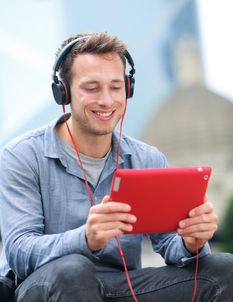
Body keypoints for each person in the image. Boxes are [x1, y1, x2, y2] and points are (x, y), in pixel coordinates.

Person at [0, 32, 233, 302]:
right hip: (46, 286)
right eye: (91, 88)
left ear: (128, 88)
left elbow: (169, 244)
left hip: (122, 287)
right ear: (62, 92)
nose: (107, 100)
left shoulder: (147, 159)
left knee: (224, 269)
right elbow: (19, 251)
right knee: (73, 270)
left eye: (115, 86)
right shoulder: (22, 155)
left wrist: (191, 242)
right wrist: (85, 239)